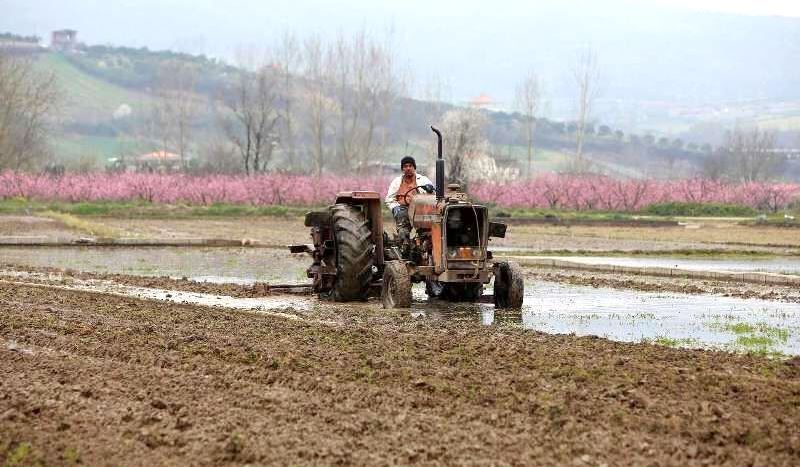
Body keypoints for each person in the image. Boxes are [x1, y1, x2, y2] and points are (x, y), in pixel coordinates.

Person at [385, 156, 434, 245]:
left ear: (414, 167)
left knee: (426, 230)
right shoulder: (396, 182)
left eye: (410, 166)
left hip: (420, 209)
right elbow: (389, 199)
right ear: (402, 169)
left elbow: (434, 194)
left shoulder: (423, 180)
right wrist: (395, 208)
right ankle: (404, 245)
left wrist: (430, 189)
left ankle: (425, 244)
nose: (408, 168)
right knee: (403, 228)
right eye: (405, 166)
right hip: (403, 208)